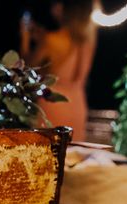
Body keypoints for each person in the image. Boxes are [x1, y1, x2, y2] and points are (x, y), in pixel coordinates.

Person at [20, 0, 97, 140]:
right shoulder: (87, 41)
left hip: (54, 102)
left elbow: (26, 67)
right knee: (74, 155)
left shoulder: (52, 40)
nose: (55, 7)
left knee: (50, 153)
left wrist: (24, 38)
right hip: (78, 103)